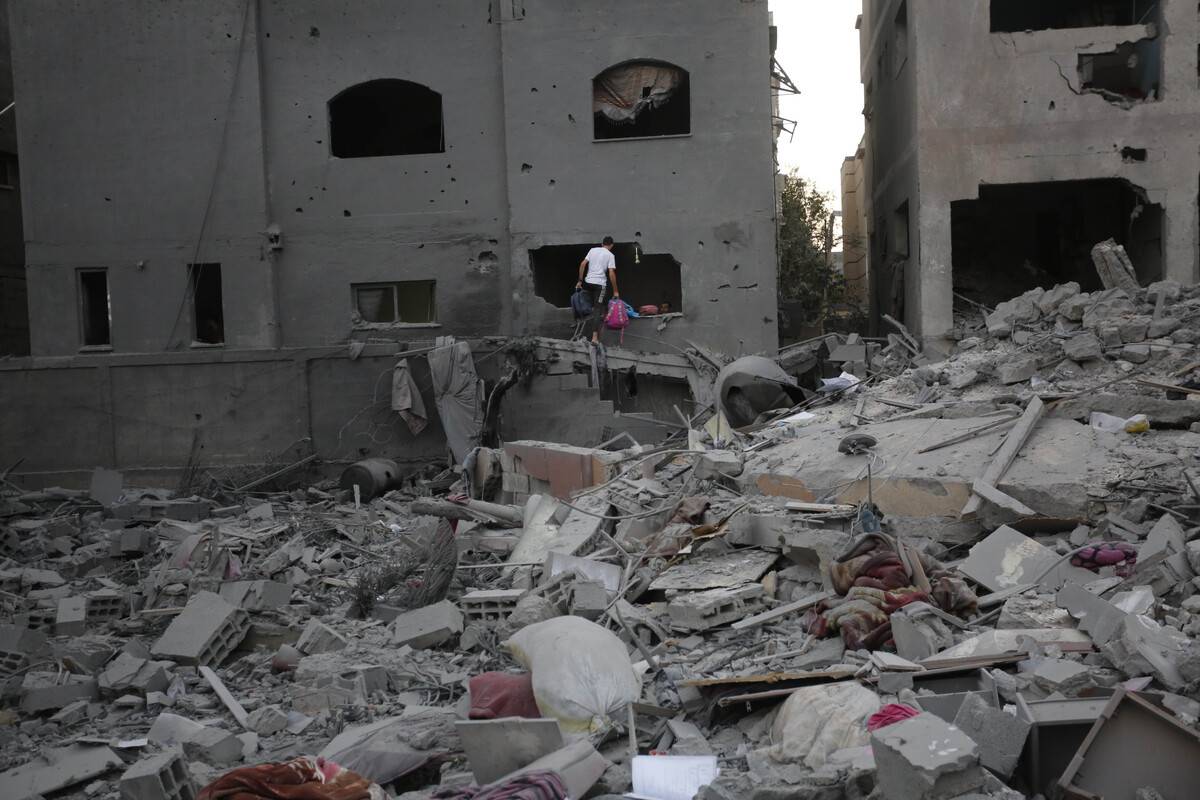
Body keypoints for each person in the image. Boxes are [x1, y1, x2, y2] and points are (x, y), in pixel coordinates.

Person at [576, 236, 620, 343]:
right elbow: (611, 273)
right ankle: (594, 337)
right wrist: (615, 290)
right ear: (611, 245)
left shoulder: (592, 250)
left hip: (588, 282)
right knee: (597, 309)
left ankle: (584, 325)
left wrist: (580, 281)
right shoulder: (610, 255)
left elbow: (582, 264)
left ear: (602, 244)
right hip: (600, 285)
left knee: (593, 304)